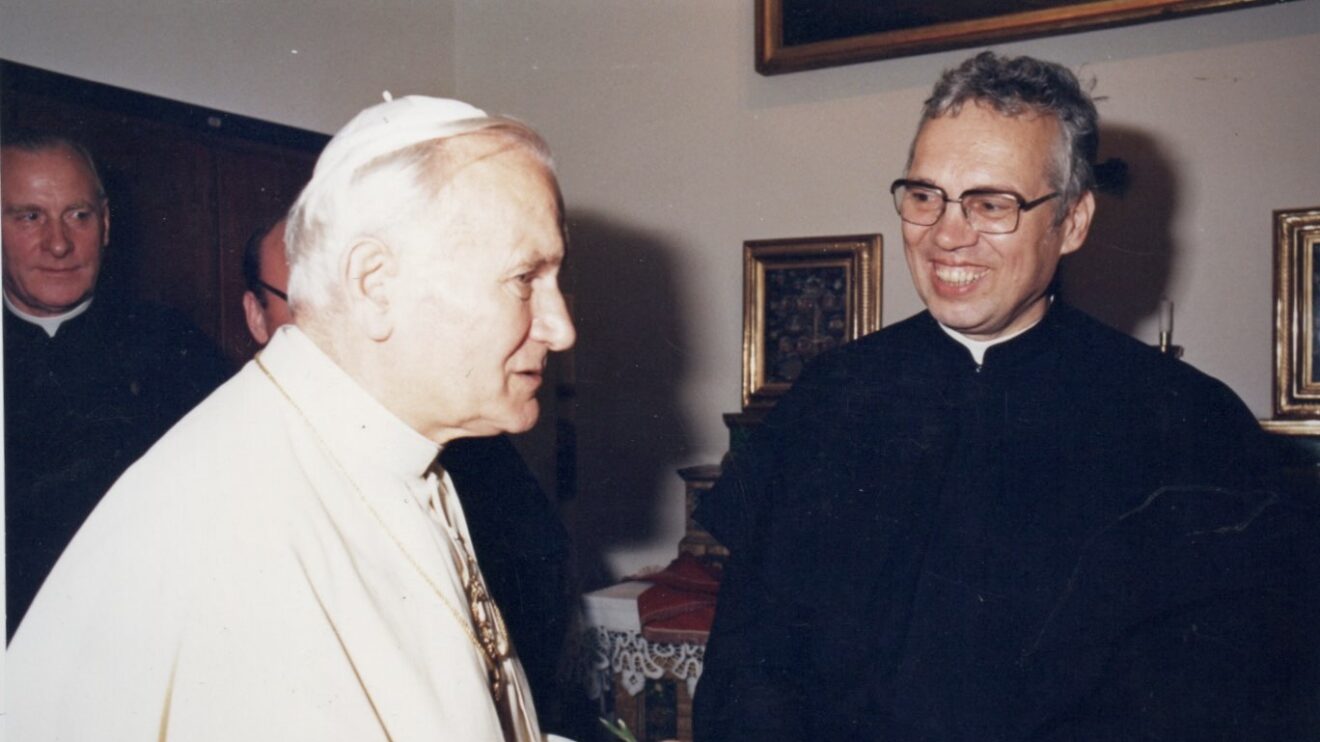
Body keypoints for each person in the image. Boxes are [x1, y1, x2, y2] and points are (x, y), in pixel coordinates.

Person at [694, 51, 1317, 740]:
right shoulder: (830, 396)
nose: (948, 235)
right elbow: (745, 673)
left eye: (992, 204)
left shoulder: (1182, 420)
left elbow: (1233, 699)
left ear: (1073, 222)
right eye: (926, 195)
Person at [9, 96, 576, 741]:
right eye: (525, 278)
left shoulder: (396, 451)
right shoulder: (244, 517)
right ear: (374, 283)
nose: (560, 328)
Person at [242, 216, 578, 731]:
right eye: (303, 303)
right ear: (257, 317)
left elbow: (538, 575)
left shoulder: (454, 440)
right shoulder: (249, 470)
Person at [1, 132, 230, 640]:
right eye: (29, 217)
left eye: (78, 215)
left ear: (106, 224)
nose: (58, 244)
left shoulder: (172, 346)